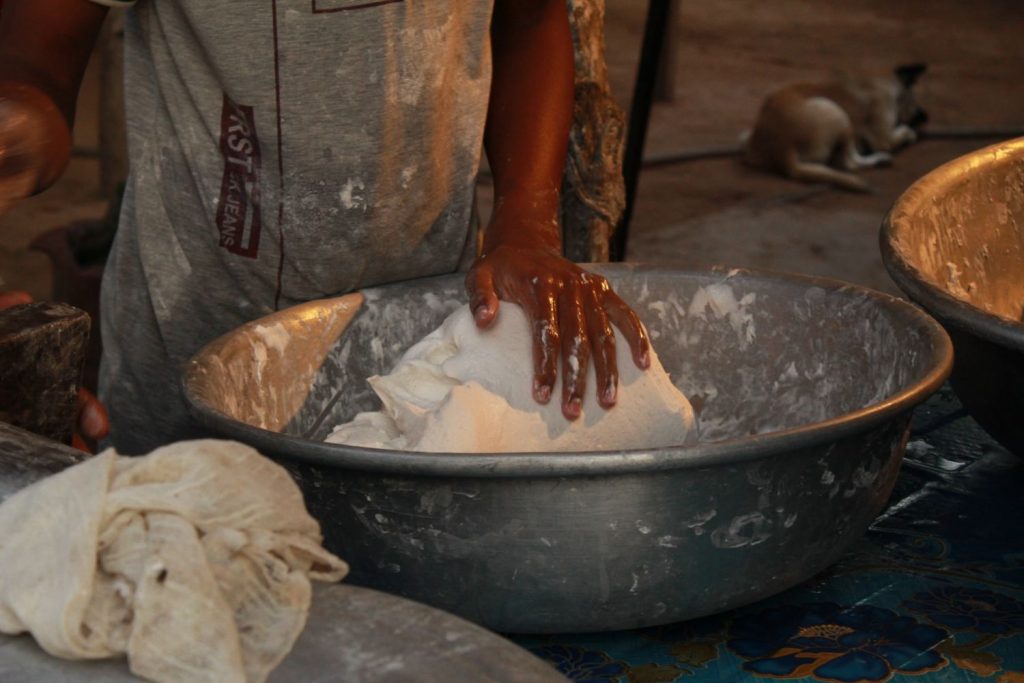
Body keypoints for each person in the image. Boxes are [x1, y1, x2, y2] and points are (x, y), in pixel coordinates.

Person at [0, 0, 650, 455]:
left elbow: (530, 18)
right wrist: (24, 119)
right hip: (195, 332)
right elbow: (38, 57)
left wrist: (526, 221)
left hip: (427, 341)